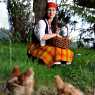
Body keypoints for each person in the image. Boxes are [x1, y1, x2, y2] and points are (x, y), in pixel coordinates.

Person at [27, 0, 74, 67]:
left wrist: (56, 33)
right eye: (49, 10)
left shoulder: (52, 25)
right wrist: (55, 34)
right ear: (46, 11)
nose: (51, 12)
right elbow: (42, 37)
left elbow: (52, 39)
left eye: (53, 10)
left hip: (46, 45)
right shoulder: (42, 22)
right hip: (37, 46)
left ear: (55, 12)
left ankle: (61, 61)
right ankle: (51, 61)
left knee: (67, 50)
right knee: (54, 51)